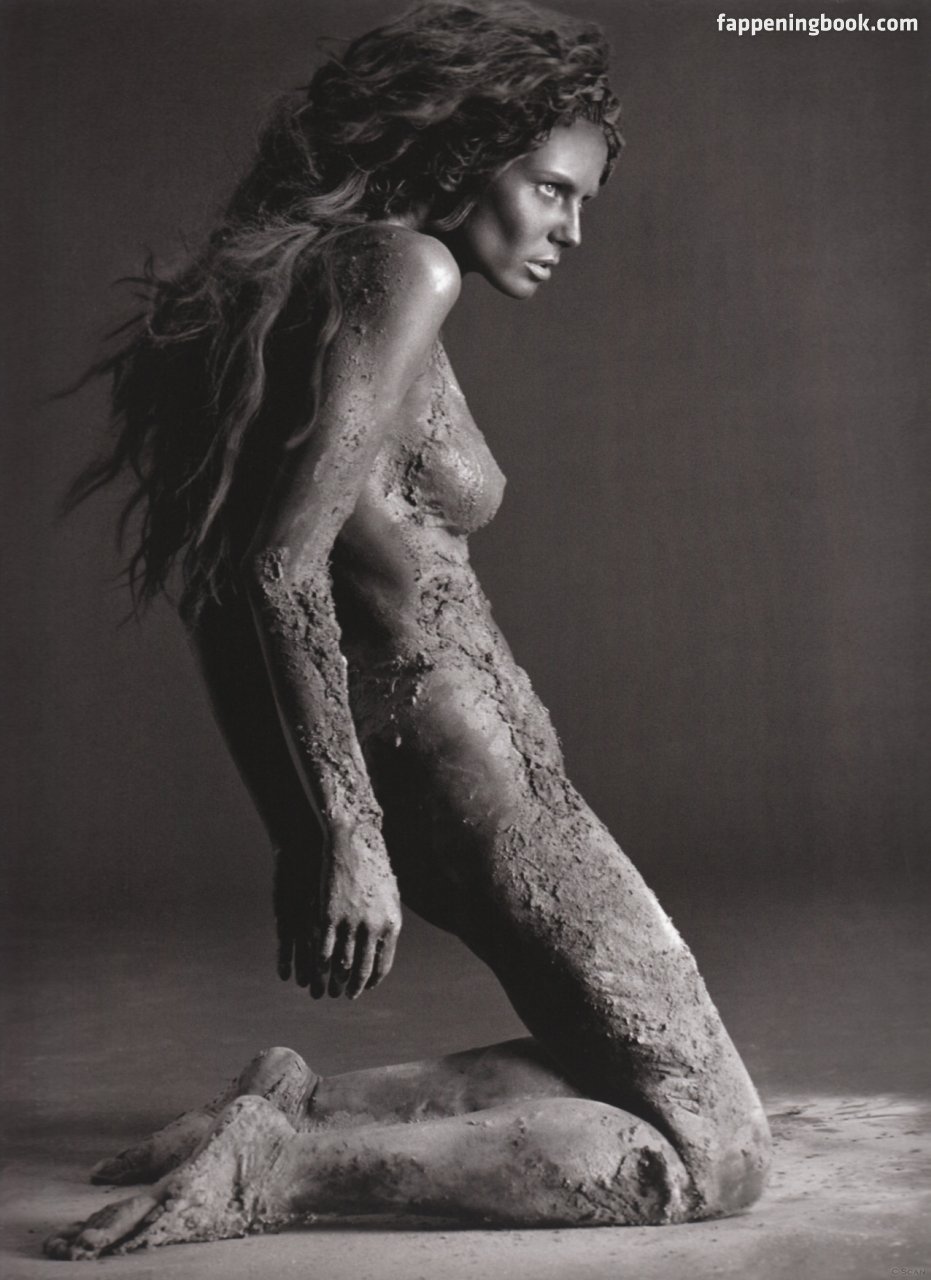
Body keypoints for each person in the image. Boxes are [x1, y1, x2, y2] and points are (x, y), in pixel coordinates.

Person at [45, 0, 771, 1258]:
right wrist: (345, 837)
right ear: (468, 152)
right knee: (719, 1154)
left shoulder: (318, 279)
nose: (570, 229)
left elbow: (220, 587)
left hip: (443, 778)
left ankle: (295, 1108)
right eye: (550, 190)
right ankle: (276, 1172)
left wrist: (307, 821)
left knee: (617, 1068)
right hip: (475, 786)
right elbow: (276, 569)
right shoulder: (405, 270)